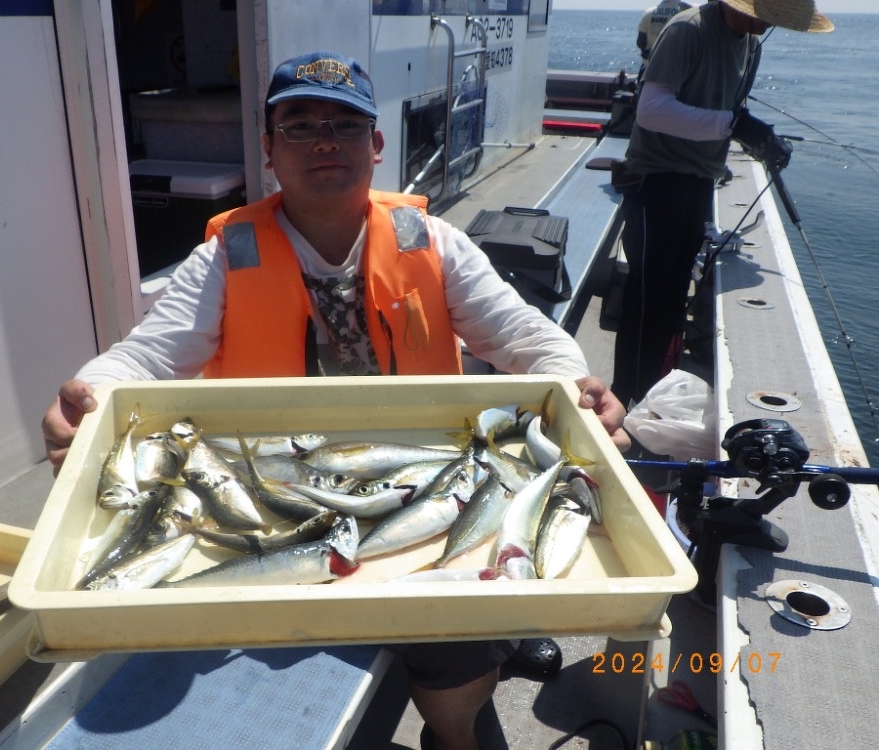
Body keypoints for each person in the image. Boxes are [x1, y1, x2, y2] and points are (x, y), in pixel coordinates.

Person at [43, 51, 630, 750]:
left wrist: (577, 383)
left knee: (461, 662)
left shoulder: (431, 240)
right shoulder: (227, 254)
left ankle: (459, 723)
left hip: (426, 476)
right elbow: (150, 353)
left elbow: (523, 335)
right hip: (273, 489)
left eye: (345, 125)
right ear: (269, 150)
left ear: (375, 144)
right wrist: (92, 394)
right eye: (299, 126)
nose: (324, 141)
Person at [611, 0, 833, 408]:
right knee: (646, 302)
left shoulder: (750, 43)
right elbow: (651, 111)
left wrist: (757, 136)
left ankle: (648, 402)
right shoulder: (688, 30)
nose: (770, 24)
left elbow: (730, 109)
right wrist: (734, 125)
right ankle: (623, 401)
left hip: (698, 182)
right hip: (656, 184)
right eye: (768, 13)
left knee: (672, 301)